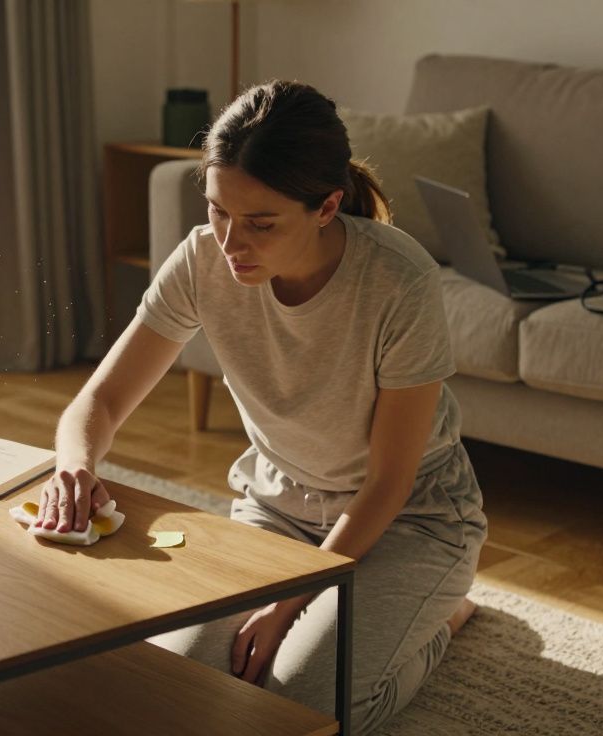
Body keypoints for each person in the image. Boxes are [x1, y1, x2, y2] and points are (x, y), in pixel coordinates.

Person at [34, 80, 487, 733]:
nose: (230, 243)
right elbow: (101, 399)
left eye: (261, 223)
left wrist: (286, 607)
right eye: (218, 211)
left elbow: (390, 484)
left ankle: (443, 619)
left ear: (328, 207)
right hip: (278, 510)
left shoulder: (398, 280)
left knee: (303, 703)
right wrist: (74, 464)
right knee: (181, 680)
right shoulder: (201, 261)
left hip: (410, 523)